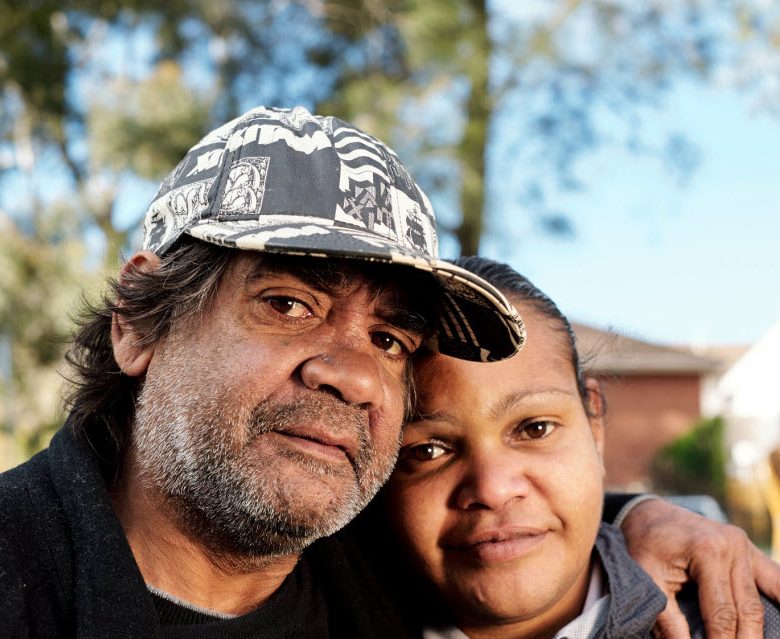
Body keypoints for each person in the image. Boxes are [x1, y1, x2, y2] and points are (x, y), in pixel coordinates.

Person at [0, 105, 775, 638]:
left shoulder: (373, 573)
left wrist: (638, 516)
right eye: (289, 303)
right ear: (140, 320)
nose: (354, 376)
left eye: (390, 338)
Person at [373, 256, 780, 638]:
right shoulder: (324, 608)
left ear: (595, 422)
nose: (492, 489)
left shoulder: (746, 619)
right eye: (428, 451)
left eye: (535, 428)